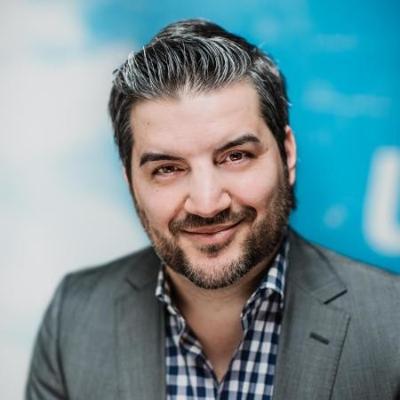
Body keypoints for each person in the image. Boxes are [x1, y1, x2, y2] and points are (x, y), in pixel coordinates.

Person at [26, 19, 400, 400]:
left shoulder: (393, 324)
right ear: (131, 183)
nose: (206, 204)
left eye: (236, 156)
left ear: (287, 155)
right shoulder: (73, 318)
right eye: (167, 169)